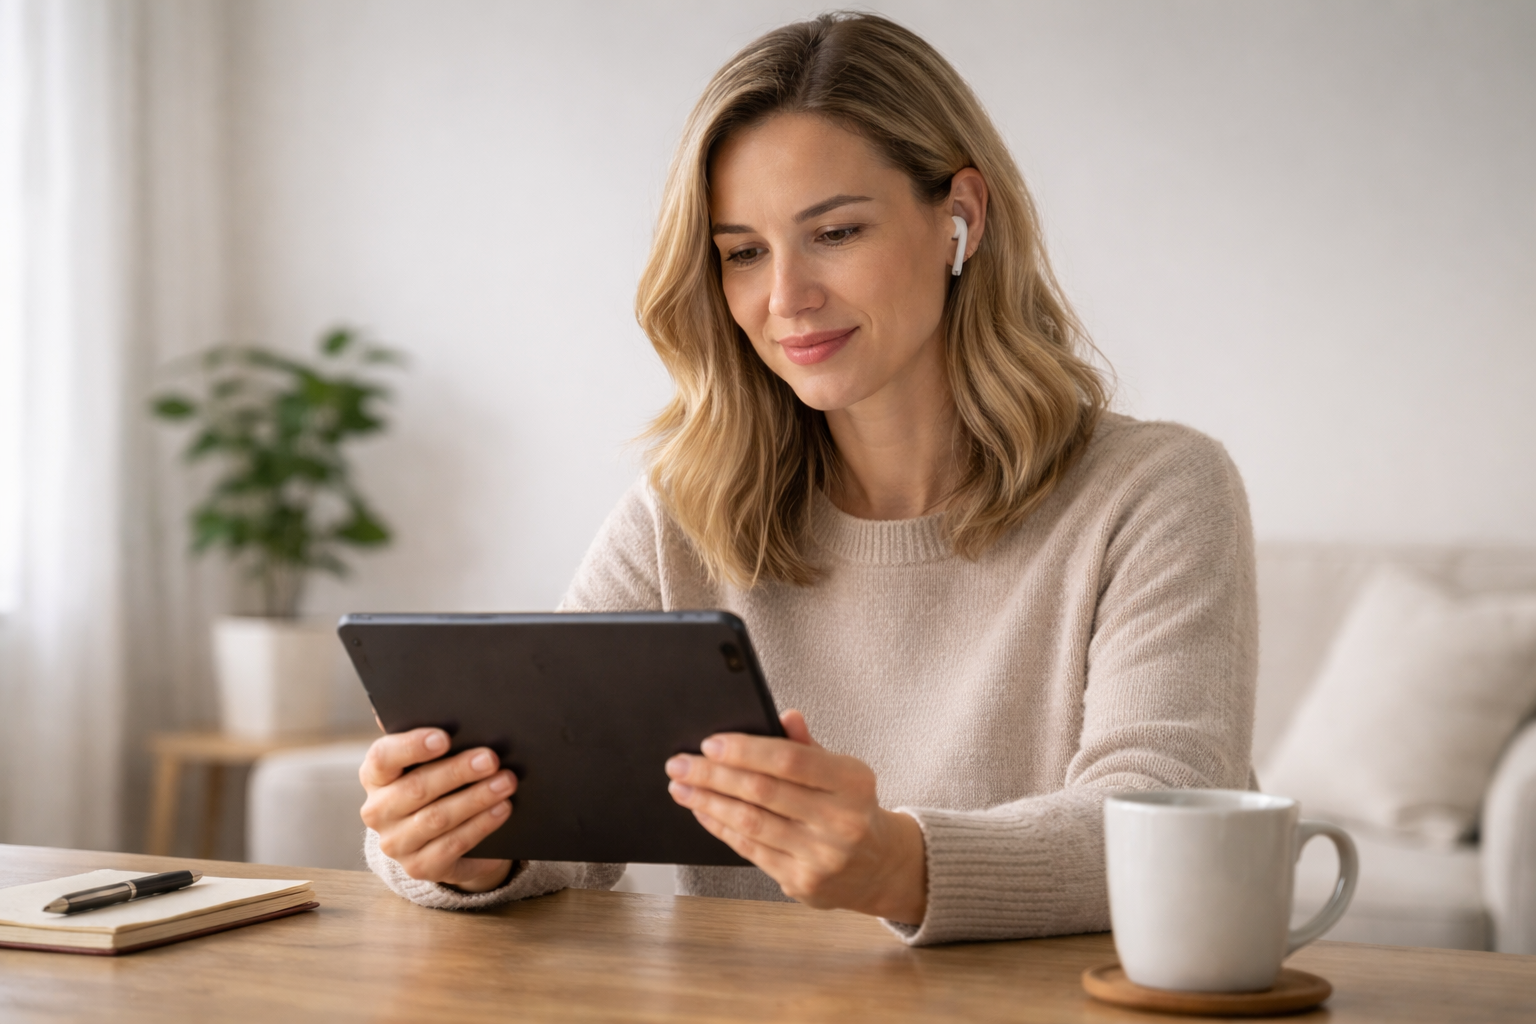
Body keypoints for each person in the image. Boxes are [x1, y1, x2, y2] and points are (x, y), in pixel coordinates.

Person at [358, 11, 1256, 945]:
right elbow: (564, 812)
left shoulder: (1154, 491)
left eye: (834, 233)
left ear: (961, 218)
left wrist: (898, 866)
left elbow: (1166, 818)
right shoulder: (686, 509)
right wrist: (464, 843)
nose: (786, 298)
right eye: (744, 252)